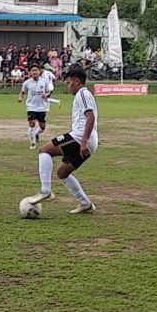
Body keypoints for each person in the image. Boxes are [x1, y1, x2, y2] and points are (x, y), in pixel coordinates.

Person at [30, 68, 99, 214]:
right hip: (86, 140)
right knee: (62, 173)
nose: (68, 87)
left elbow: (90, 117)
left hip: (79, 138)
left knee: (44, 150)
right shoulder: (81, 95)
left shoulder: (83, 93)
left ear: (77, 81)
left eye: (69, 83)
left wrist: (84, 141)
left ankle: (45, 190)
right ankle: (85, 203)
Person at [18, 65, 53, 149]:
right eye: (33, 70)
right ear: (30, 72)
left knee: (42, 127)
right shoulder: (27, 82)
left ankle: (36, 133)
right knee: (32, 123)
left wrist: (46, 95)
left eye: (36, 70)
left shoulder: (44, 81)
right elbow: (22, 92)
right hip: (31, 106)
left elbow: (49, 92)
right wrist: (20, 98)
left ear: (39, 71)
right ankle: (32, 143)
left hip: (41, 107)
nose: (35, 72)